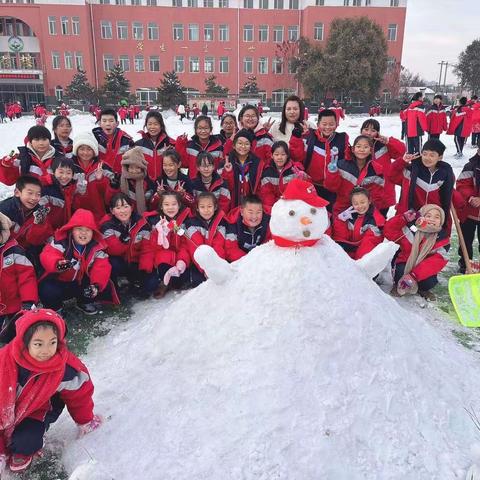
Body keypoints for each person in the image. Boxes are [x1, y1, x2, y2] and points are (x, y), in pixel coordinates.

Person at [0, 309, 101, 473]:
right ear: (24, 343)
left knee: (28, 440)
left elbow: (80, 394)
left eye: (52, 342)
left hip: (34, 411)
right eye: (38, 344)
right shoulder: (5, 360)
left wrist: (85, 420)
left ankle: (22, 451)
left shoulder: (64, 368)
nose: (46, 350)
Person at [39, 209, 119, 315]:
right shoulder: (61, 242)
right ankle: (56, 308)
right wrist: (57, 264)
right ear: (72, 230)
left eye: (88, 230)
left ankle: (84, 302)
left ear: (93, 233)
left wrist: (96, 286)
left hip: (79, 283)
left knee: (94, 284)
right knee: (46, 288)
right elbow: (48, 254)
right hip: (59, 281)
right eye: (79, 229)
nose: (83, 233)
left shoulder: (96, 248)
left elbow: (102, 267)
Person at [387, 139, 455, 233]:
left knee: (427, 246)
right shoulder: (411, 170)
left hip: (431, 219)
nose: (427, 158)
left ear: (440, 157)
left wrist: (462, 205)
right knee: (407, 244)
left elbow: (448, 195)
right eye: (425, 153)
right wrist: (402, 162)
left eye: (432, 155)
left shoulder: (445, 174)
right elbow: (391, 176)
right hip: (410, 216)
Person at [385, 204, 449, 301]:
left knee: (430, 282)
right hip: (405, 263)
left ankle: (422, 289)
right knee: (400, 272)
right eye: (428, 216)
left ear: (441, 221)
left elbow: (436, 261)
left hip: (423, 270)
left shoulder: (442, 239)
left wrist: (414, 275)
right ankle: (397, 284)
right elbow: (388, 231)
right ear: (421, 217)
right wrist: (403, 218)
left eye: (437, 217)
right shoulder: (410, 230)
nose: (432, 219)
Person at [289, 109, 351, 206]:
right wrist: (297, 137)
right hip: (311, 186)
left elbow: (349, 158)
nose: (327, 127)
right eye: (324, 124)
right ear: (318, 124)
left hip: (333, 188)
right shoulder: (309, 136)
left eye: (331, 124)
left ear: (336, 124)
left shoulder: (342, 139)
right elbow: (297, 156)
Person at [100, 193, 157, 297]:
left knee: (151, 285)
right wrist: (124, 240)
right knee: (112, 263)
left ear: (131, 207)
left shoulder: (142, 223)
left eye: (126, 206)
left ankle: (134, 280)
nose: (123, 211)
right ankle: (115, 287)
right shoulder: (107, 225)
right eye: (118, 208)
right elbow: (114, 250)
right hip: (120, 261)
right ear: (112, 211)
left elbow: (147, 248)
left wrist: (144, 269)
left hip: (136, 261)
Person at [0, 212, 38, 343]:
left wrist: (28, 301)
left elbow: (27, 278)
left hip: (14, 304)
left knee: (18, 333)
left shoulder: (15, 251)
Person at [325, 135, 385, 217]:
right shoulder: (341, 165)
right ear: (353, 149)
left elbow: (377, 195)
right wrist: (332, 173)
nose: (362, 149)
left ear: (371, 150)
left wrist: (368, 211)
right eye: (358, 146)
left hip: (364, 211)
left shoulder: (376, 170)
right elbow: (331, 187)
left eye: (365, 147)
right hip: (342, 210)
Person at [0, 176, 53, 267]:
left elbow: (35, 241)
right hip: (6, 251)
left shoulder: (40, 212)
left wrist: (39, 225)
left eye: (38, 194)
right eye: (30, 193)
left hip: (26, 251)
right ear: (17, 192)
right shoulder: (4, 210)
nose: (34, 198)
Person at [146, 192, 191, 299]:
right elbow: (153, 247)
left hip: (179, 257)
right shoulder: (155, 221)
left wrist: (182, 261)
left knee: (180, 281)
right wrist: (160, 233)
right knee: (163, 256)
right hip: (164, 260)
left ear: (179, 205)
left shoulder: (185, 220)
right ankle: (164, 283)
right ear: (161, 206)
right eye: (166, 204)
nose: (170, 208)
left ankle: (174, 281)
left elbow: (185, 245)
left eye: (174, 204)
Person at [360, 119, 405, 216]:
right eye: (366, 129)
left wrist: (389, 141)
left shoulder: (384, 146)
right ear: (361, 131)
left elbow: (402, 152)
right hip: (364, 195)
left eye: (373, 131)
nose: (369, 133)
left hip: (384, 194)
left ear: (378, 133)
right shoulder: (357, 147)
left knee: (381, 222)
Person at [184, 192, 227, 286]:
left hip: (215, 260)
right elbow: (196, 248)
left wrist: (216, 268)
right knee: (198, 282)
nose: (206, 210)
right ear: (197, 209)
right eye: (202, 207)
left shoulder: (221, 222)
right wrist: (205, 270)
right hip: (200, 263)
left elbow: (219, 246)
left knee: (222, 279)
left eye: (209, 206)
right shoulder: (191, 224)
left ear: (215, 207)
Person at [332, 187, 385, 260]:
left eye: (362, 202)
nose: (360, 206)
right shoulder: (348, 215)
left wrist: (356, 264)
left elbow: (368, 245)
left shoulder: (375, 221)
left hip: (361, 258)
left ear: (369, 201)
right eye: (356, 203)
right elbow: (340, 238)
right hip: (347, 253)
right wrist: (340, 221)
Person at [71, 132, 112, 222]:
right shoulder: (70, 166)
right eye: (82, 149)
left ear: (94, 151)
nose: (85, 153)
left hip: (98, 213)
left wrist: (100, 180)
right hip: (75, 213)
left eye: (89, 149)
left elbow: (109, 195)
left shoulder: (103, 166)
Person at [39, 156, 86, 230]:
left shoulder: (71, 188)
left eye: (68, 173)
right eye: (61, 172)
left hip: (64, 229)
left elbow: (75, 209)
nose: (64, 176)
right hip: (49, 232)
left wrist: (80, 193)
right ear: (53, 172)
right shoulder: (45, 188)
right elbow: (42, 217)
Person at [222, 129, 264, 208]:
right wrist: (228, 172)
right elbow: (225, 187)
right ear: (234, 145)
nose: (243, 146)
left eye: (247, 144)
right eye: (240, 143)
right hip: (232, 204)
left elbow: (259, 187)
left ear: (251, 146)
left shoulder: (258, 163)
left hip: (251, 205)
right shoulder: (227, 162)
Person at [106, 147, 155, 215]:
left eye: (137, 167)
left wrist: (153, 198)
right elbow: (109, 201)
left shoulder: (148, 182)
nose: (134, 171)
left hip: (142, 216)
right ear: (126, 167)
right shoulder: (119, 179)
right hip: (122, 215)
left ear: (142, 168)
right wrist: (113, 188)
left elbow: (153, 205)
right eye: (131, 168)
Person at [224, 194, 271, 262]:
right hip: (240, 262)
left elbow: (270, 242)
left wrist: (261, 259)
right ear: (242, 212)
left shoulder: (267, 220)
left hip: (260, 259)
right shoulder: (232, 223)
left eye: (258, 212)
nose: (254, 217)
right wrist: (249, 261)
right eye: (250, 212)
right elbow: (230, 249)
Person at [455, 146, 480, 273]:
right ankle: (465, 264)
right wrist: (471, 197)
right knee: (465, 239)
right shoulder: (470, 166)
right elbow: (461, 184)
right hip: (469, 212)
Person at [134, 110, 174, 180]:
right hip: (146, 184)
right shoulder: (138, 145)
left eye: (156, 124)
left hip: (164, 184)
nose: (152, 127)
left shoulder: (170, 143)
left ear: (161, 126)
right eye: (149, 124)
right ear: (146, 125)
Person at [259, 141, 301, 208]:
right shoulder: (267, 173)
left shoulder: (294, 171)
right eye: (276, 154)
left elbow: (299, 191)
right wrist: (275, 209)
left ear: (287, 155)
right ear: (272, 156)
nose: (280, 157)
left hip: (292, 206)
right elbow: (267, 196)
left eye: (283, 154)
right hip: (275, 208)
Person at [92, 109, 133, 174]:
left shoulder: (126, 140)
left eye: (111, 121)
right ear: (99, 123)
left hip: (121, 179)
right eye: (104, 121)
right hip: (99, 178)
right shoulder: (93, 139)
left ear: (117, 123)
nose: (108, 124)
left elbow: (133, 163)